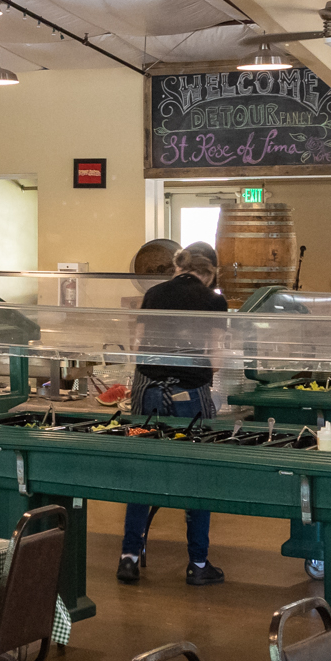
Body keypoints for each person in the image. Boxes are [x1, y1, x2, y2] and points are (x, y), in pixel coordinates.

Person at [119, 239, 229, 588]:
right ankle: (197, 563)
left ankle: (129, 558)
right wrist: (218, 394)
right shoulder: (214, 300)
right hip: (190, 400)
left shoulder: (154, 294)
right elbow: (215, 355)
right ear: (210, 272)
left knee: (142, 472)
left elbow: (138, 346)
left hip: (147, 398)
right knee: (197, 474)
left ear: (178, 266)